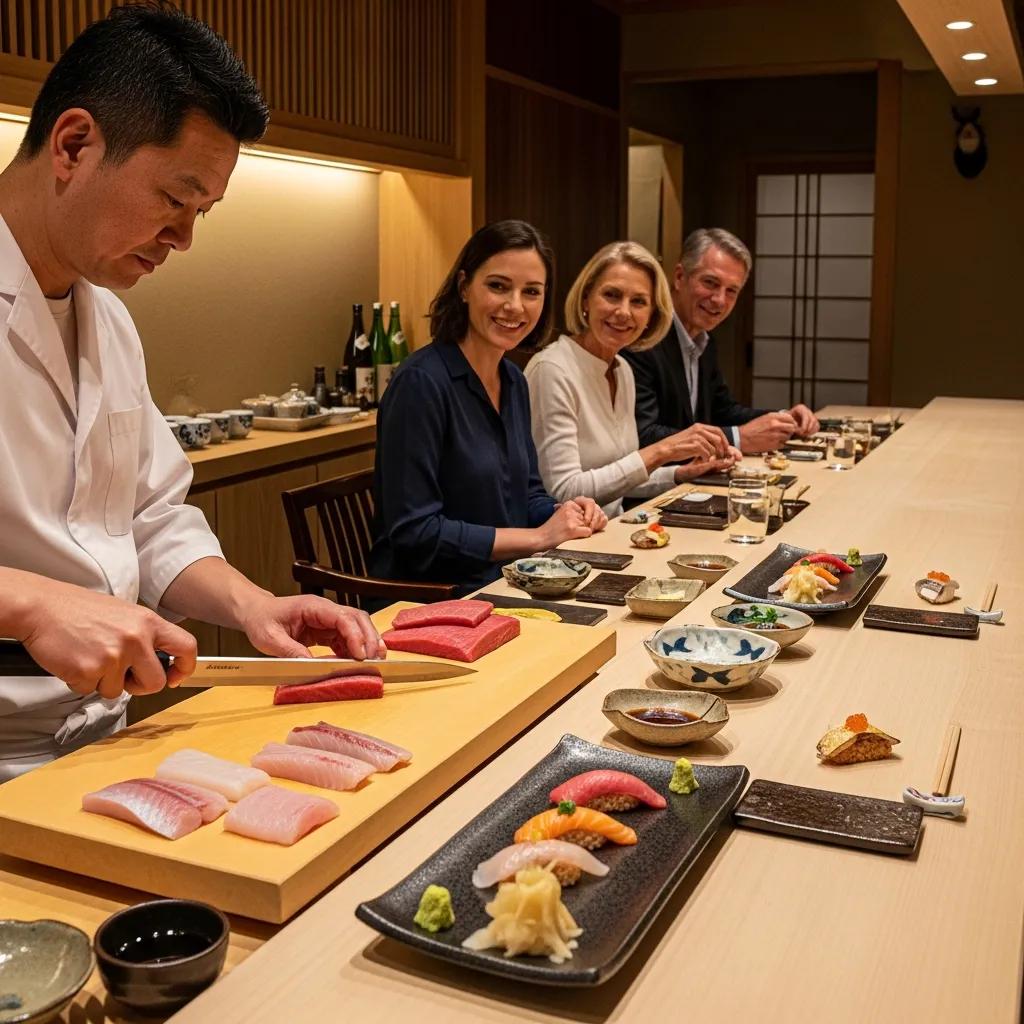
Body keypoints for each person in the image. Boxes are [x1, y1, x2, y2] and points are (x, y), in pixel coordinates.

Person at [0, 4, 384, 781]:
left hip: (101, 740)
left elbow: (148, 517)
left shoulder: (106, 317)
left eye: (202, 211)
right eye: (174, 200)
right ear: (75, 145)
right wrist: (28, 603)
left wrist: (251, 606)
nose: (184, 239)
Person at [369, 220, 608, 595]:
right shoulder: (421, 383)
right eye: (498, 286)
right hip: (431, 601)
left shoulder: (514, 380)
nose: (515, 306)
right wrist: (537, 538)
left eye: (531, 291)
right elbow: (415, 533)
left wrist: (565, 512)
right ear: (464, 286)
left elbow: (527, 495)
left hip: (505, 583)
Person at [525, 241, 741, 519]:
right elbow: (563, 492)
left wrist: (681, 473)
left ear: (651, 314)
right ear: (586, 298)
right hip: (562, 548)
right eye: (612, 295)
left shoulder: (622, 368)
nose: (624, 312)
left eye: (638, 301)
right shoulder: (552, 369)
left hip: (612, 531)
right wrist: (662, 451)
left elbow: (618, 479)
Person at [623, 228, 820, 454]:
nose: (719, 300)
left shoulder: (703, 341)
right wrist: (736, 438)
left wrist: (784, 419)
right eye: (710, 283)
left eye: (731, 291)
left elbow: (722, 411)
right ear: (679, 277)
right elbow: (643, 434)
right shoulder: (643, 337)